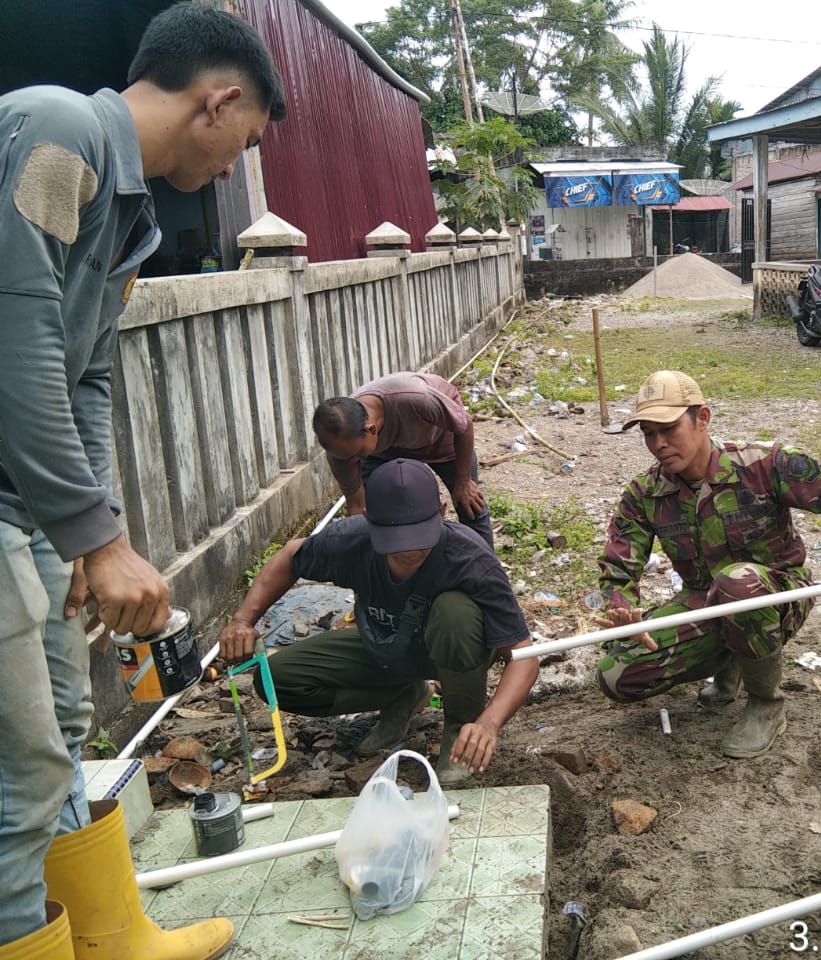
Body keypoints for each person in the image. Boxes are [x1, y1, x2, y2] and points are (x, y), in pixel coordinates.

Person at [0, 4, 285, 957]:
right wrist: (94, 538)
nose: (232, 168)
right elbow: (18, 339)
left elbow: (85, 380)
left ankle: (111, 938)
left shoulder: (130, 222)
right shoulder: (59, 131)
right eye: (242, 144)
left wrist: (95, 527)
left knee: (68, 723)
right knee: (19, 765)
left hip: (24, 503)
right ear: (220, 99)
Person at [595, 370, 821, 758]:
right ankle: (731, 659)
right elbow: (618, 566)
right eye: (649, 433)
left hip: (778, 594)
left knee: (738, 582)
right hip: (705, 602)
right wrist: (621, 611)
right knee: (618, 676)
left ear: (702, 419)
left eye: (668, 428)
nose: (659, 444)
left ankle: (765, 703)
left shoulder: (764, 465)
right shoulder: (644, 493)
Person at [219, 458, 537, 788]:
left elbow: (524, 656)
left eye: (419, 536)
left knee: (453, 613)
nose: (410, 550)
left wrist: (488, 723)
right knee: (278, 679)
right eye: (396, 541)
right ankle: (402, 695)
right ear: (371, 523)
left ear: (441, 514)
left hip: (455, 649)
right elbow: (289, 557)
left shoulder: (471, 559)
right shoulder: (351, 541)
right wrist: (243, 620)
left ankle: (459, 728)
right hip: (386, 646)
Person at [313, 371, 493, 548]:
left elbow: (465, 425)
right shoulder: (341, 450)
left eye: (357, 454)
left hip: (440, 439)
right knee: (381, 512)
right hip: (384, 453)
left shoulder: (416, 398)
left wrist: (463, 481)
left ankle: (485, 565)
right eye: (344, 458)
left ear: (372, 430)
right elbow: (357, 507)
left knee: (469, 504)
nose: (352, 462)